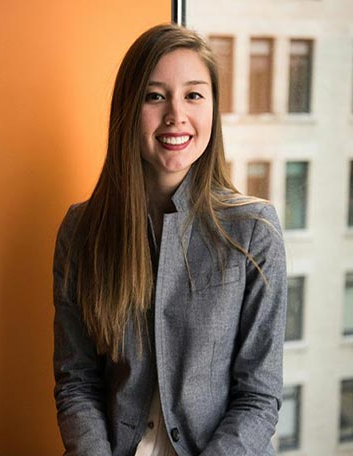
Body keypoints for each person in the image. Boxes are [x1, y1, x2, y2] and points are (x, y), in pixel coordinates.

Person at [53, 23, 287, 456]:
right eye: (155, 96)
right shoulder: (81, 230)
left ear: (213, 109)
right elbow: (77, 382)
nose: (176, 115)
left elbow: (258, 397)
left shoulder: (255, 229)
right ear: (129, 108)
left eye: (193, 95)